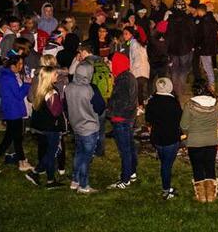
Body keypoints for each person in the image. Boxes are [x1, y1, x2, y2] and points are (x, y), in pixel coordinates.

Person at [0, 54, 35, 174]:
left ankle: (22, 162)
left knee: (16, 138)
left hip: (12, 110)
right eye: (20, 64)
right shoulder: (9, 78)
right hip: (13, 111)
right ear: (13, 65)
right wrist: (27, 83)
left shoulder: (7, 75)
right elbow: (19, 95)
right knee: (8, 139)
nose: (21, 66)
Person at [65, 62, 106, 194]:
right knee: (86, 158)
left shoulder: (69, 87)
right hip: (89, 127)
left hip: (76, 126)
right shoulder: (91, 89)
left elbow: (66, 106)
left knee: (79, 153)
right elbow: (100, 107)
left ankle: (75, 180)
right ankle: (83, 185)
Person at [25, 66, 66, 189]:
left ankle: (50, 179)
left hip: (42, 126)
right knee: (50, 153)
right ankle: (36, 173)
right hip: (51, 127)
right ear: (49, 77)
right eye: (55, 74)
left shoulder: (40, 89)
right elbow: (56, 111)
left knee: (49, 152)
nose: (57, 76)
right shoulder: (52, 93)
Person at [180, 83, 218, 203]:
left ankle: (201, 196)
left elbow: (184, 125)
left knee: (197, 167)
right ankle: (211, 195)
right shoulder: (217, 104)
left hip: (194, 141)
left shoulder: (189, 105)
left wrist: (188, 133)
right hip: (212, 140)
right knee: (210, 166)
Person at [145, 78, 182, 200]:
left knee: (164, 161)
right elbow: (180, 120)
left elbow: (148, 119)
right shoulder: (173, 103)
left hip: (157, 138)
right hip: (171, 139)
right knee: (167, 165)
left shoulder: (152, 101)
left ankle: (166, 184)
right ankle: (166, 190)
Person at [107, 52, 138, 189]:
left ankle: (125, 179)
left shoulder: (122, 80)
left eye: (111, 62)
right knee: (130, 147)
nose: (109, 65)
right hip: (129, 117)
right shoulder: (129, 77)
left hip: (121, 118)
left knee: (124, 149)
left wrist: (110, 108)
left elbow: (120, 101)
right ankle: (132, 172)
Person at [166, 0, 196, 98]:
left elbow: (168, 34)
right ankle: (181, 90)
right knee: (184, 69)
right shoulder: (188, 18)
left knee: (174, 70)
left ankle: (175, 90)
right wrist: (192, 45)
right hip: (185, 48)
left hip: (173, 49)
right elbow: (192, 33)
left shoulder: (170, 18)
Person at [195, 4, 218, 92]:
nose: (197, 13)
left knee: (207, 66)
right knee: (208, 65)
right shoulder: (211, 18)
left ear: (201, 11)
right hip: (211, 47)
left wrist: (199, 46)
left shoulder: (203, 21)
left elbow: (202, 36)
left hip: (205, 48)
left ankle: (211, 85)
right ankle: (210, 83)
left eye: (197, 11)